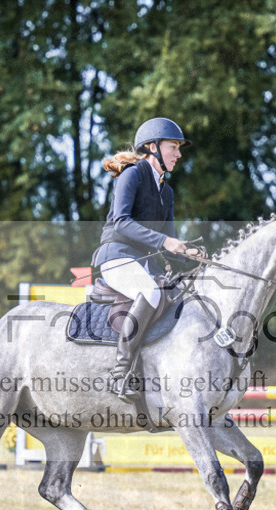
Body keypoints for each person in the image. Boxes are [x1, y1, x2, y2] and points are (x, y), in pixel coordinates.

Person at [94, 117, 200, 398]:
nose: (178, 154)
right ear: (153, 147)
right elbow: (121, 222)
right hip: (117, 257)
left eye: (179, 148)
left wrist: (189, 255)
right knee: (151, 292)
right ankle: (120, 373)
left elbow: (169, 243)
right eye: (173, 147)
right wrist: (166, 241)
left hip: (144, 263)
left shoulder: (167, 191)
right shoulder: (133, 174)